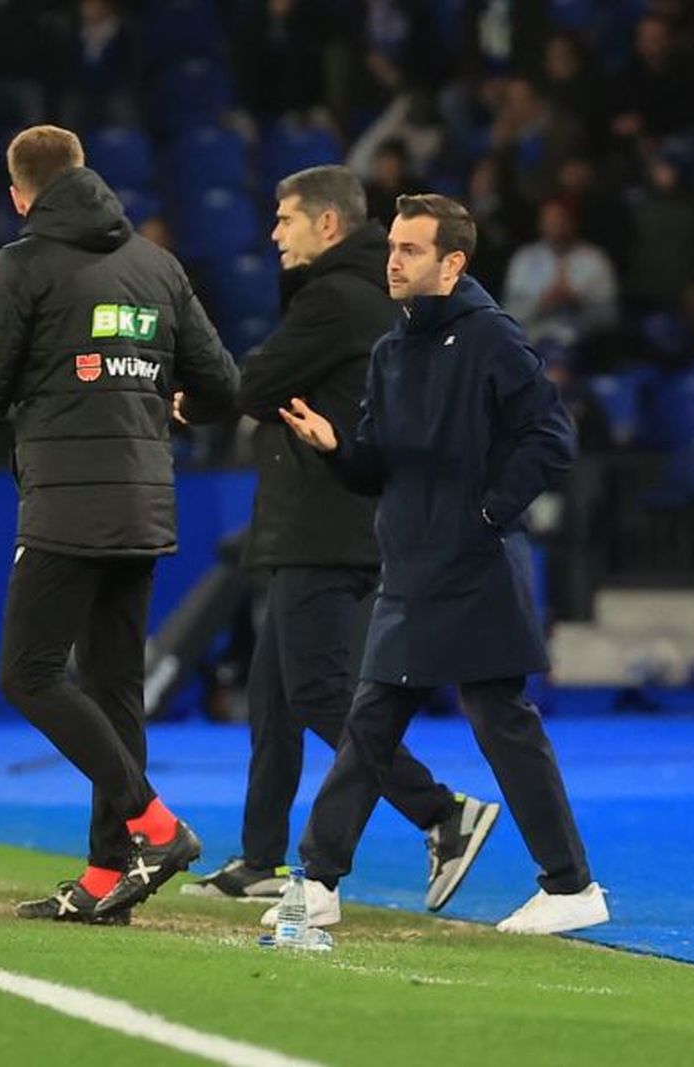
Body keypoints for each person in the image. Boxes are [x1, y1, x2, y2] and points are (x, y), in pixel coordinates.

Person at [0, 125, 239, 923]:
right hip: (145, 500)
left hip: (67, 504)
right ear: (85, 174)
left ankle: (155, 826)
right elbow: (223, 384)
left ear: (20, 195)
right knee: (115, 689)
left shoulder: (22, 264)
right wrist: (174, 404)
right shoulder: (157, 264)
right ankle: (107, 874)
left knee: (28, 672)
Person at [271, 194, 607, 935]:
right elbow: (376, 467)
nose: (393, 260)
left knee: (500, 721)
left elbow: (551, 437)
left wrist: (487, 515)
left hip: (476, 564)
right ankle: (319, 880)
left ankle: (572, 885)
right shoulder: (391, 350)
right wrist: (336, 447)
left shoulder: (492, 336)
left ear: (452, 263)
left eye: (411, 250)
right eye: (392, 246)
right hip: (411, 563)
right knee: (371, 720)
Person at [178, 166, 501, 908]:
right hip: (326, 516)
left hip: (321, 523)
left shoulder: (334, 298)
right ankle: (260, 857)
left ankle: (442, 812)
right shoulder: (359, 295)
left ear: (327, 224)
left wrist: (194, 402)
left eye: (285, 218)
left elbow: (257, 383)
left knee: (320, 694)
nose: (273, 234)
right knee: (273, 698)